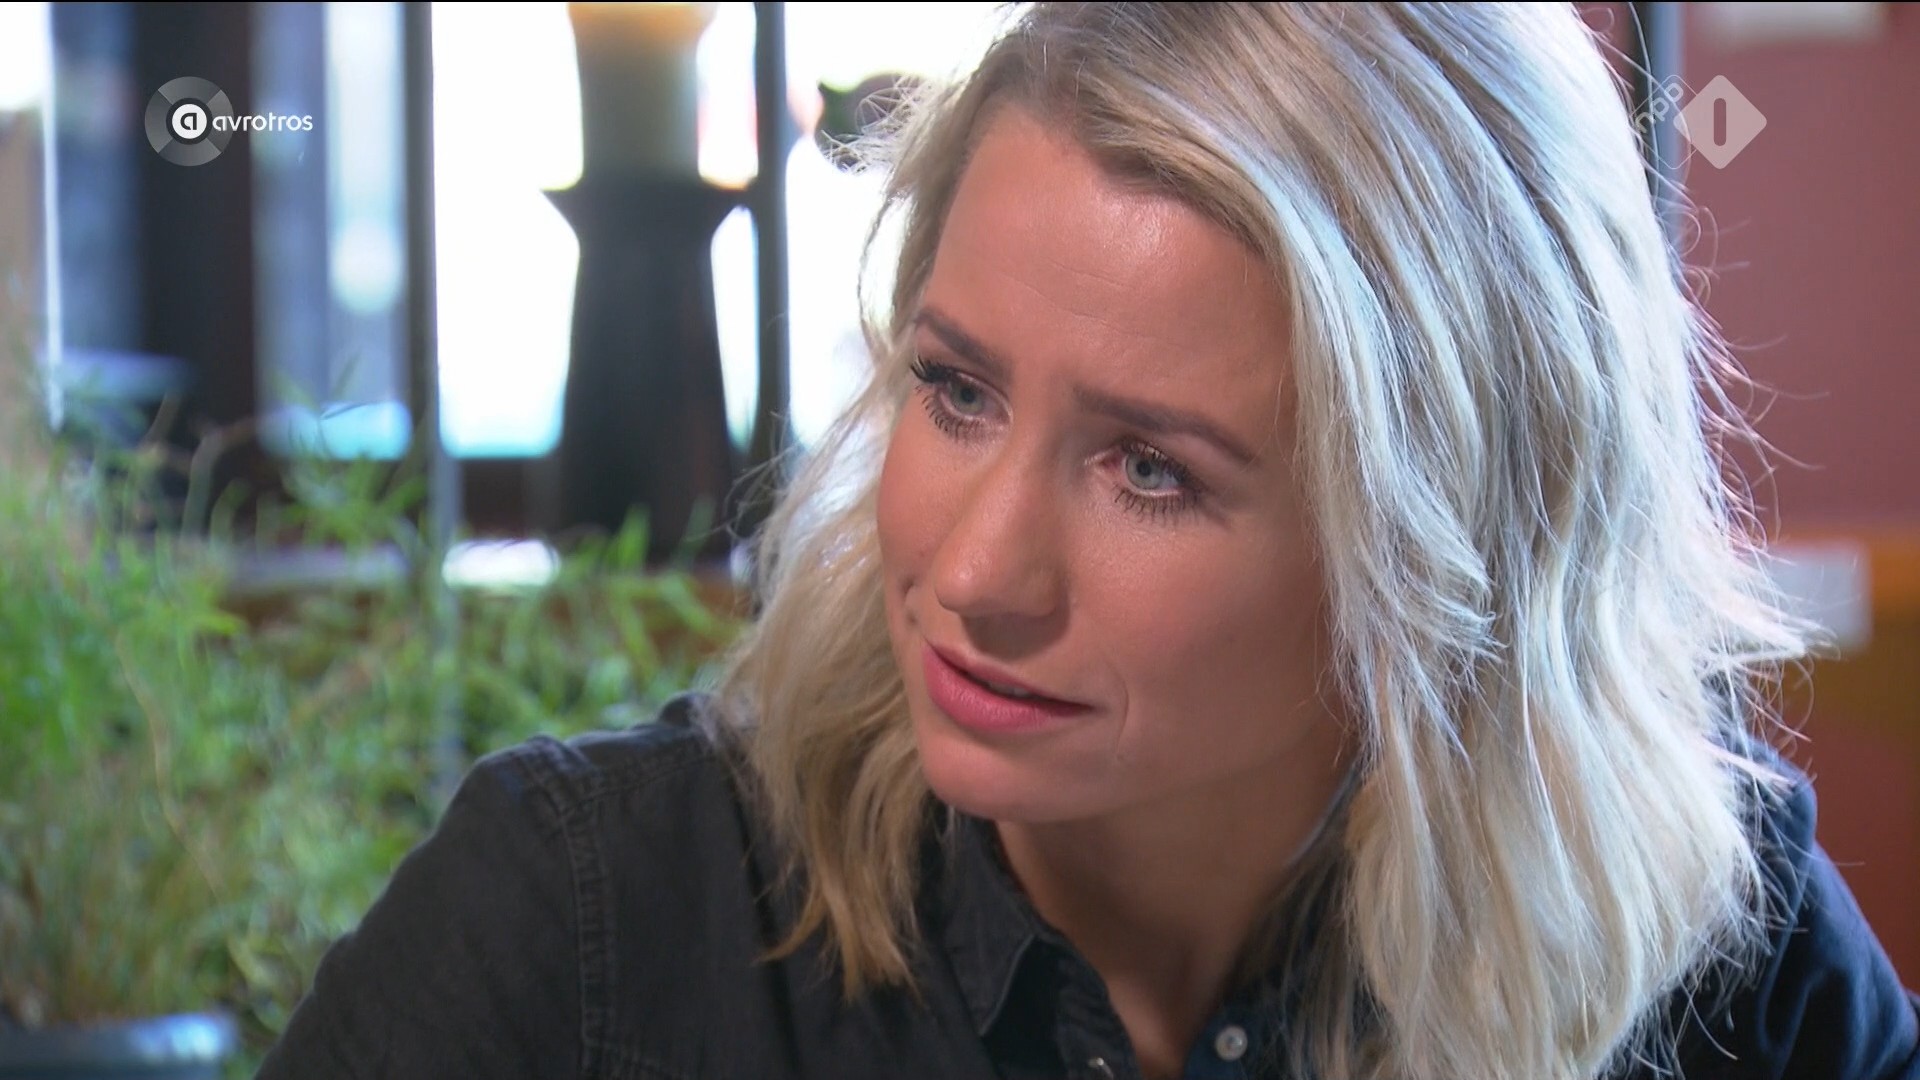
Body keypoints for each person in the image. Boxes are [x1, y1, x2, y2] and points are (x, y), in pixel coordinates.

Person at [256, 4, 1920, 1078]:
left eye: (1150, 471)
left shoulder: (1724, 963)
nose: (976, 574)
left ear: (1448, 545)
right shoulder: (585, 931)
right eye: (957, 391)